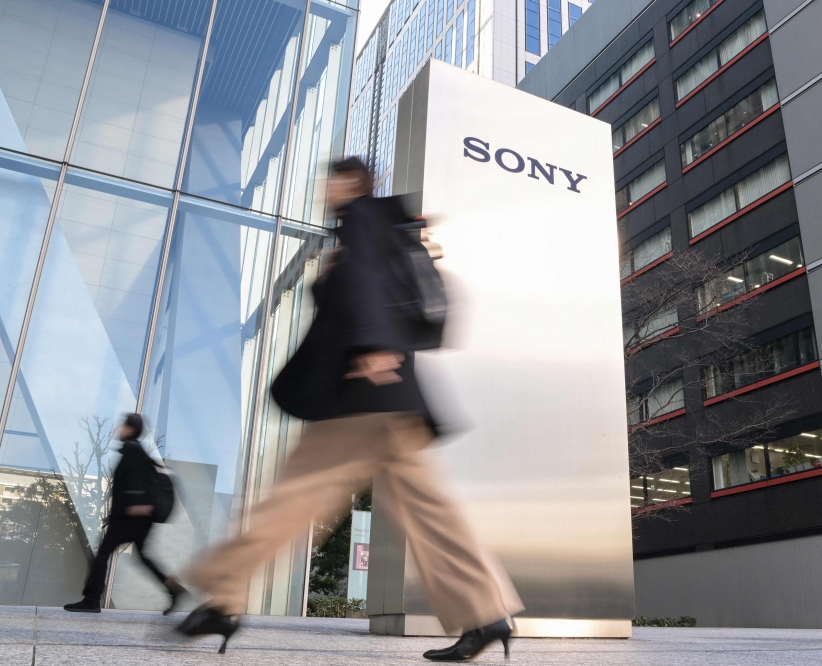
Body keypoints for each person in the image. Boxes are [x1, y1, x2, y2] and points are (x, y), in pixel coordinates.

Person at [176, 158, 522, 659]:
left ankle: (222, 596)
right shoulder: (383, 224)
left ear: (350, 182)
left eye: (332, 180)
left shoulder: (361, 217)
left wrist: (369, 346)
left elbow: (365, 283)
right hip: (391, 400)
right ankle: (487, 613)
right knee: (430, 513)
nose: (325, 188)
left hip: (360, 395)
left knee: (292, 499)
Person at [64, 413, 186, 614]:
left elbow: (137, 482)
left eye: (122, 425)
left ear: (130, 429)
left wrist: (138, 505)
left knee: (103, 553)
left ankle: (92, 599)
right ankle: (173, 589)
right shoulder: (135, 451)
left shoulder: (133, 450)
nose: (118, 428)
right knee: (143, 557)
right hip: (135, 517)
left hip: (131, 516)